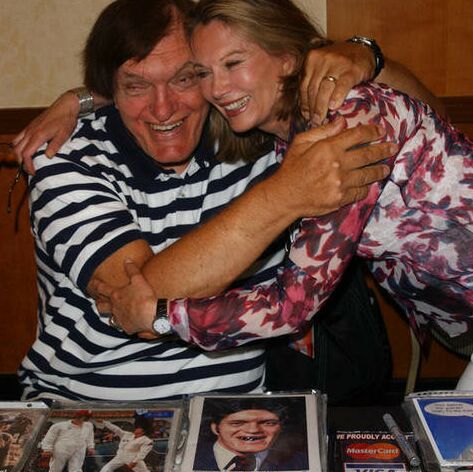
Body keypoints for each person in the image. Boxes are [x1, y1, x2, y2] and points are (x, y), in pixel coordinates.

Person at [18, 0, 401, 402]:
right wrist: (285, 195)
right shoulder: (64, 156)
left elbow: (428, 118)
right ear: (112, 90)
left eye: (185, 79)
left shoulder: (253, 135)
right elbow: (137, 297)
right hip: (87, 405)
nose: (163, 109)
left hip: (239, 411)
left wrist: (365, 56)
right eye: (136, 86)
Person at [91, 0, 473, 358]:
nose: (216, 89)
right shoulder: (285, 139)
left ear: (288, 59)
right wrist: (77, 102)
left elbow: (292, 305)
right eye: (204, 72)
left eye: (233, 63)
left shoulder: (345, 121)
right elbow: (151, 82)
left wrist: (161, 316)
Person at [193, 398, 307, 471]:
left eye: (268, 423)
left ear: (280, 428)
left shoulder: (302, 462)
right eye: (238, 423)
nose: (253, 430)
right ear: (215, 428)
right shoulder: (191, 457)